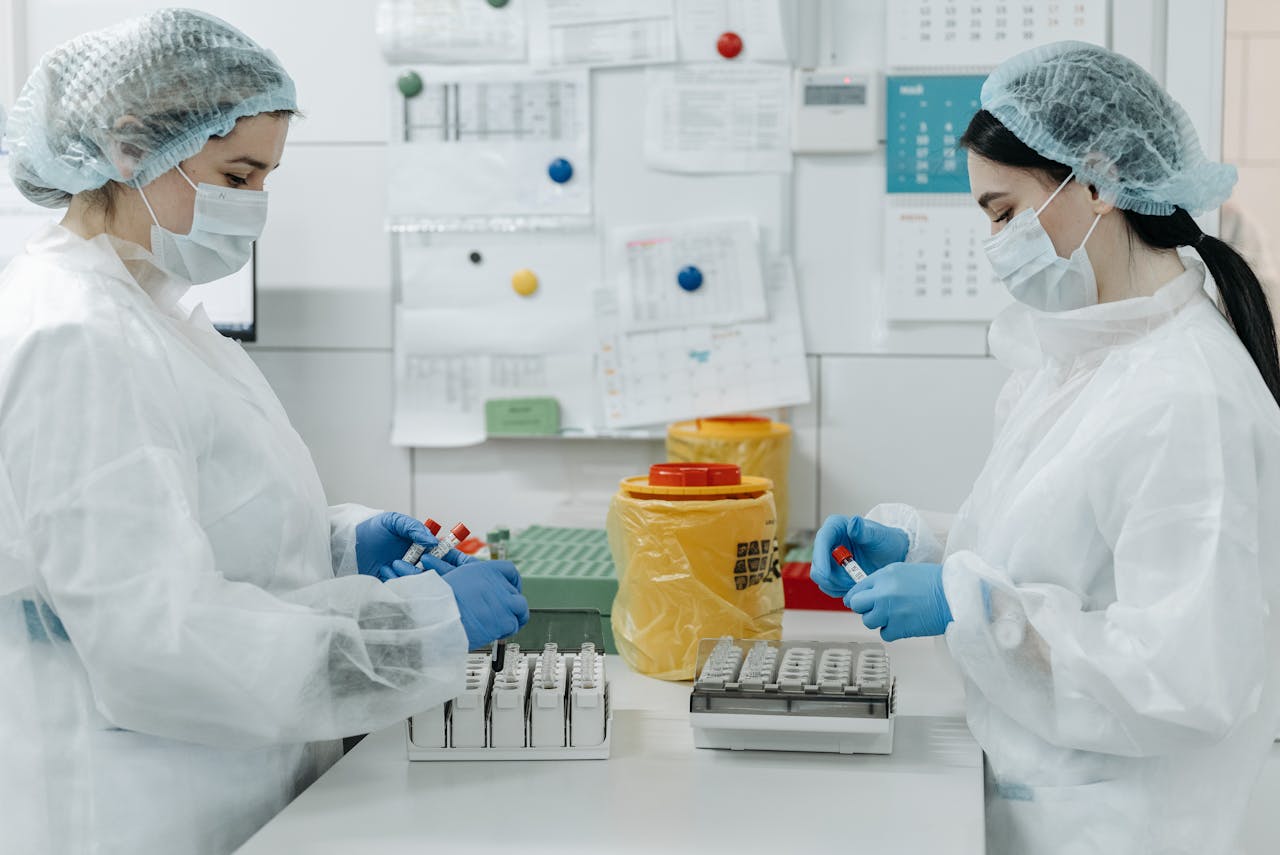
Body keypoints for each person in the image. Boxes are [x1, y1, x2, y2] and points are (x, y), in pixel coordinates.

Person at [0, 10, 528, 854]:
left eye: (265, 179)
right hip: (141, 811)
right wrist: (422, 628)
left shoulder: (156, 314)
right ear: (130, 148)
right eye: (236, 176)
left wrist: (342, 544)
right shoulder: (78, 335)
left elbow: (198, 521)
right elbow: (156, 643)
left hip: (226, 786)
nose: (252, 208)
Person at [813, 41, 1280, 855]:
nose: (996, 243)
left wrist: (964, 604)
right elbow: (1069, 554)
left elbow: (1181, 677)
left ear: (1097, 181)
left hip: (1124, 828)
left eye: (1004, 213)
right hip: (1051, 803)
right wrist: (925, 545)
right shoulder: (1086, 358)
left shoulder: (1187, 399)